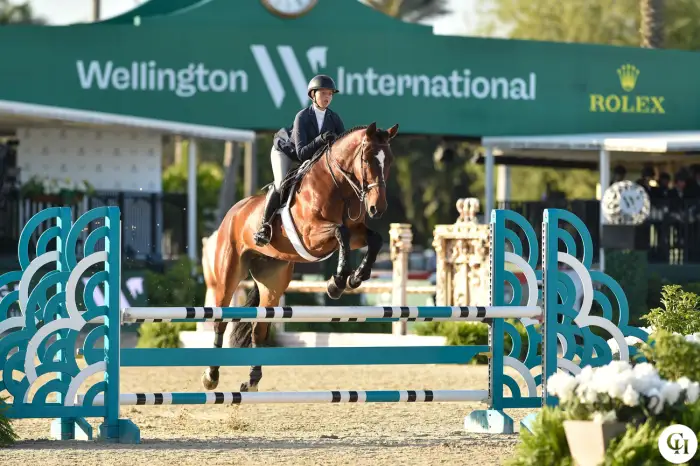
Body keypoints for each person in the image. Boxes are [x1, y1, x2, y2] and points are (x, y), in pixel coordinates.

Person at [253, 74, 346, 246]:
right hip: (286, 152)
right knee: (281, 184)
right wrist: (320, 139)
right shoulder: (302, 116)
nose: (327, 97)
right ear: (313, 95)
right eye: (323, 93)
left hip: (312, 158)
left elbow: (342, 149)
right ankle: (264, 227)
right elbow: (302, 153)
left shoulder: (334, 119)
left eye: (330, 94)